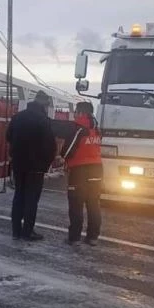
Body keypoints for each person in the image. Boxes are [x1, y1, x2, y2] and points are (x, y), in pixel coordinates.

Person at [6, 90, 58, 241]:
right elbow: (51, 146)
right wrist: (45, 164)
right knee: (31, 199)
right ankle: (27, 231)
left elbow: (8, 136)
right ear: (44, 104)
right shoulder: (43, 120)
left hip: (18, 164)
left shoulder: (17, 117)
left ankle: (16, 231)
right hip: (36, 167)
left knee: (19, 195)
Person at [59, 101, 104, 246]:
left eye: (76, 111)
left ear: (81, 113)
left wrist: (62, 157)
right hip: (97, 168)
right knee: (93, 203)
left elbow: (67, 151)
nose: (75, 114)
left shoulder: (78, 128)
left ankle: (74, 237)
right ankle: (93, 237)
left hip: (79, 171)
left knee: (76, 203)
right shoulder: (96, 128)